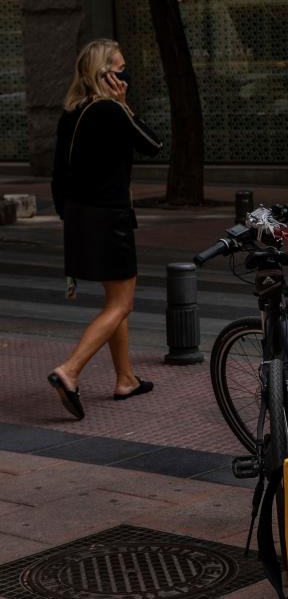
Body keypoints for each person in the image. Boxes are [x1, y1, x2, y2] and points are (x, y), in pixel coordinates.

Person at [47, 38, 163, 420]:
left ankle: (125, 378)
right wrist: (125, 104)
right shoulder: (110, 111)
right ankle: (70, 370)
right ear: (106, 75)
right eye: (120, 68)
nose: (126, 74)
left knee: (114, 302)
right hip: (108, 218)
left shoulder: (72, 112)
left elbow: (57, 176)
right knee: (122, 303)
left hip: (79, 218)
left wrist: (69, 217)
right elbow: (153, 144)